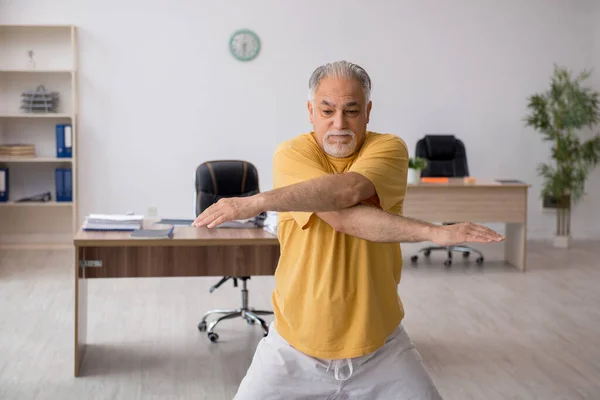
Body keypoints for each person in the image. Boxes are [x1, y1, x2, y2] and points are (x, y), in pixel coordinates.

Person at [192, 60, 504, 399]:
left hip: (382, 349)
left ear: (368, 112)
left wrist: (255, 201)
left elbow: (348, 192)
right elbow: (342, 217)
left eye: (351, 111)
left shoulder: (388, 149)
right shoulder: (292, 153)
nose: (338, 123)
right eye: (327, 110)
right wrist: (435, 232)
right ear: (310, 111)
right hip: (293, 349)